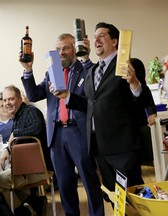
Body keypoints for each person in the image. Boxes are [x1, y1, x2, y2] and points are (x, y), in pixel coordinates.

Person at [53, 22, 154, 199]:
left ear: (115, 41)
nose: (96, 39)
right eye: (95, 36)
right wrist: (67, 96)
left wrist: (134, 83)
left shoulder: (129, 64)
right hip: (99, 148)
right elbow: (90, 104)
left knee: (132, 199)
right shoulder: (92, 71)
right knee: (113, 198)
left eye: (102, 35)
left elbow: (143, 99)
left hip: (123, 148)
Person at [20, 33, 104, 216]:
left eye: (65, 48)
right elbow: (34, 95)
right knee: (65, 185)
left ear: (74, 49)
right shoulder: (52, 71)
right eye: (57, 49)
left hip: (79, 132)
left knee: (89, 181)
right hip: (57, 135)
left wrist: (68, 96)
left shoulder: (85, 70)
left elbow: (91, 103)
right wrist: (28, 69)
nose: (61, 53)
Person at [0, 85, 48, 215]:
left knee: (0, 181)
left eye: (11, 99)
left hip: (38, 169)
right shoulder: (17, 117)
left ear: (20, 99)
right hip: (26, 169)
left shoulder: (30, 111)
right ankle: (34, 203)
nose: (7, 103)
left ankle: (23, 211)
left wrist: (15, 134)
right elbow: (13, 143)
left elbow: (37, 128)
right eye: (4, 100)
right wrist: (7, 150)